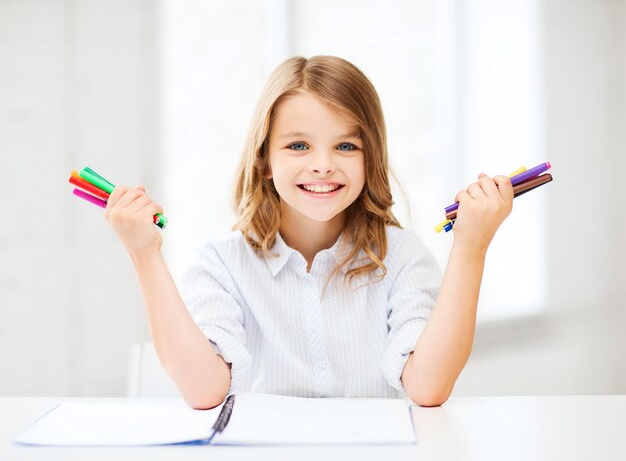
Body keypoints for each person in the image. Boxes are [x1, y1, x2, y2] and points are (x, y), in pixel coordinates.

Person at [105, 55, 513, 410]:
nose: (322, 165)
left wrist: (470, 246)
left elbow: (428, 388)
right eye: (298, 146)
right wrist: (145, 254)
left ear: (371, 159)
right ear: (264, 160)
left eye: (346, 147)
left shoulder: (403, 257)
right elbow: (203, 390)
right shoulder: (221, 264)